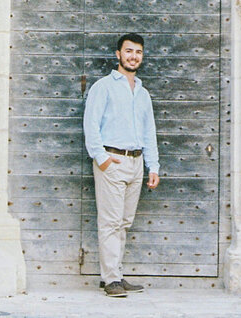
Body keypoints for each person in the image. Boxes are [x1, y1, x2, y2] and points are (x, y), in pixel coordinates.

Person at [83, 33, 161, 297]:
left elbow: (149, 131)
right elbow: (91, 124)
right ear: (118, 55)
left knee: (124, 222)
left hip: (136, 162)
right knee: (111, 221)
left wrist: (153, 166)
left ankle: (114, 276)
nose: (133, 56)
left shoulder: (143, 92)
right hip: (112, 160)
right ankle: (111, 278)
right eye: (128, 51)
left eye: (138, 52)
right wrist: (101, 158)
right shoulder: (103, 87)